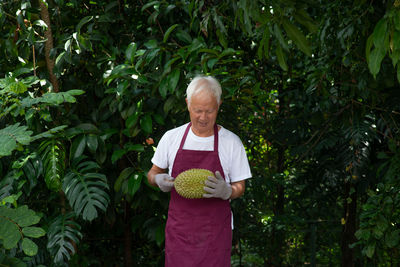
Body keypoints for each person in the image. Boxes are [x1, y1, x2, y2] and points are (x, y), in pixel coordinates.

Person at [147, 75, 252, 267]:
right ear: (187, 104)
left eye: (209, 111)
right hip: (180, 235)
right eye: (197, 111)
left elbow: (240, 186)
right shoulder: (172, 138)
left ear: (219, 105)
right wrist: (158, 179)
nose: (203, 117)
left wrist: (228, 191)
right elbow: (152, 173)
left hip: (215, 236)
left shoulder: (231, 143)